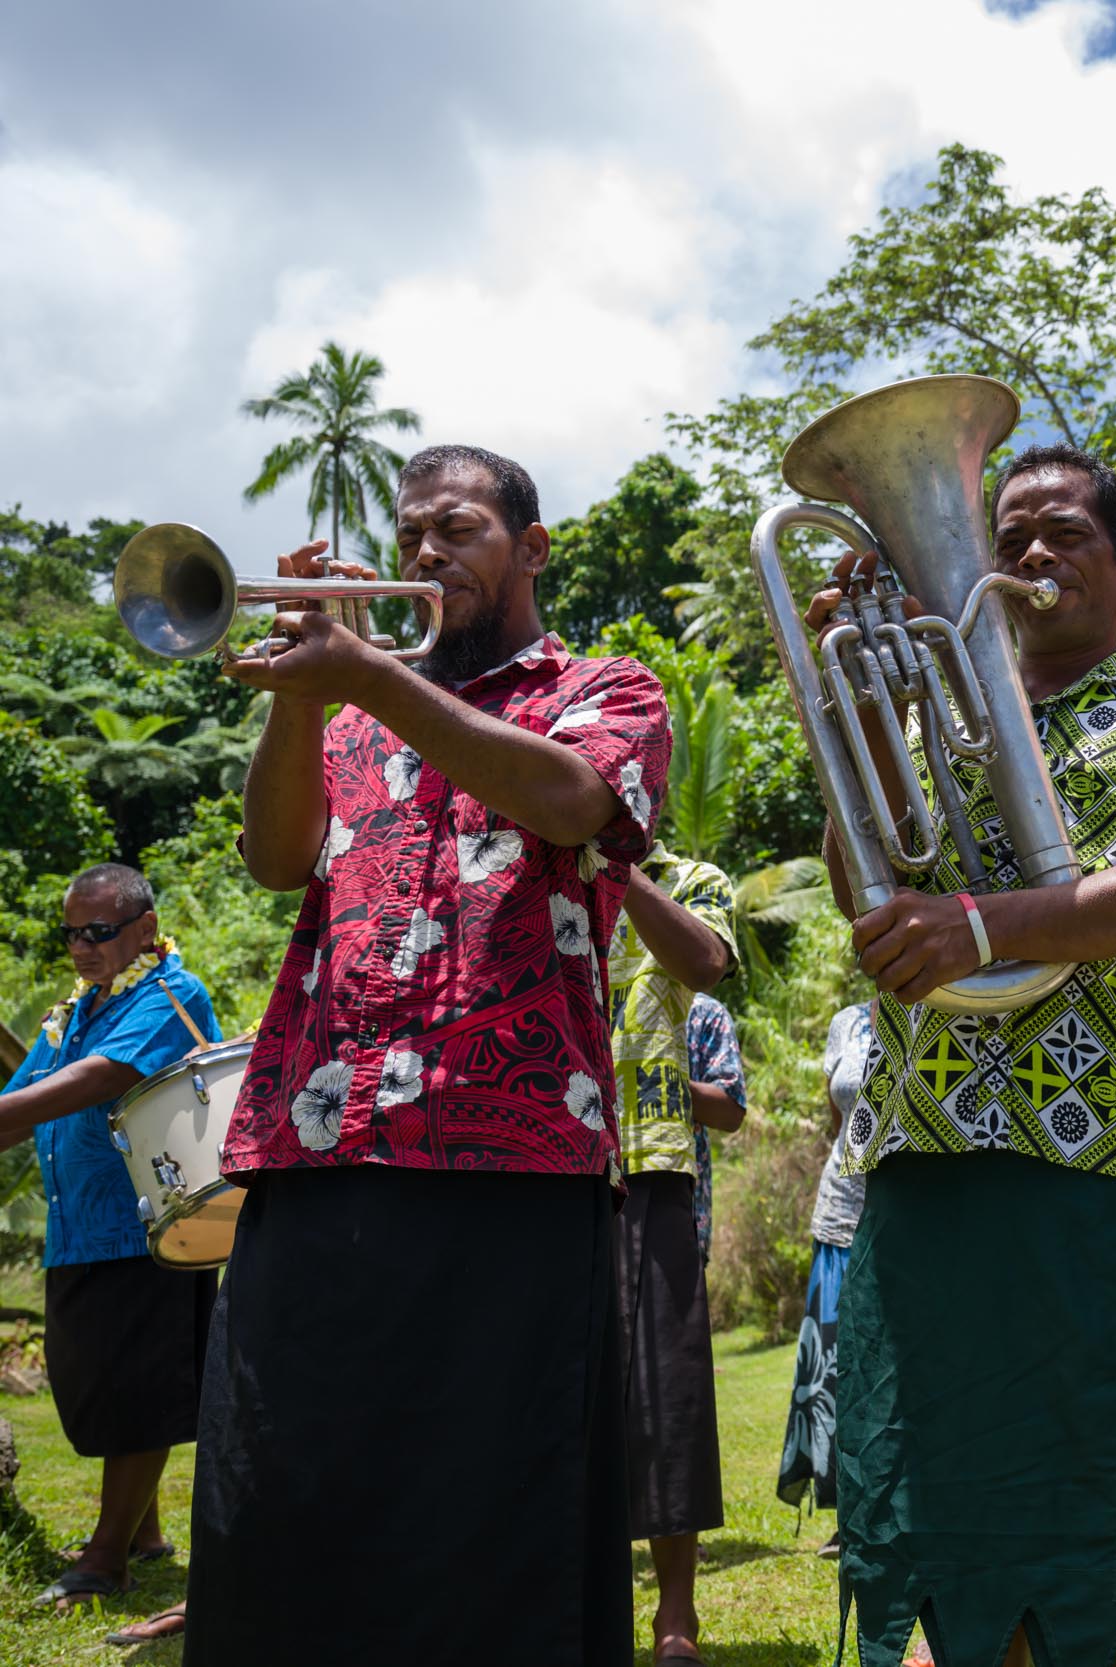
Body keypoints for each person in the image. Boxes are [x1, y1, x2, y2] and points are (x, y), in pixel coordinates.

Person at [186, 444, 671, 1666]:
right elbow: (276, 856)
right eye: (410, 533)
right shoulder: (348, 710)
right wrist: (308, 688)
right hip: (319, 1139)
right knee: (292, 1496)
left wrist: (369, 675)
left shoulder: (607, 688)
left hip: (513, 1158)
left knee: (495, 1511)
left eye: (456, 527)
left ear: (533, 546)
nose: (425, 552)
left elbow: (571, 804)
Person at [802, 442, 1116, 1667]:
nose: (1033, 557)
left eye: (1066, 534)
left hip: (1113, 1160)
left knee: (1110, 1519)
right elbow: (864, 886)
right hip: (927, 1147)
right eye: (1008, 539)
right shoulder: (931, 715)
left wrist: (981, 924)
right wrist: (852, 700)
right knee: (935, 1506)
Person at [0, 866, 220, 1620]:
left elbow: (99, 1078)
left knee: (133, 1392)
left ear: (145, 927)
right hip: (79, 1229)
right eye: (72, 933)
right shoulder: (80, 1009)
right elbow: (23, 1097)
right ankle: (145, 1533)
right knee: (102, 1384)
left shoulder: (168, 995)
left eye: (99, 931)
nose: (83, 947)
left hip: (142, 1226)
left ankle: (105, 1560)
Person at [608, 844, 739, 1665]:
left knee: (670, 1404)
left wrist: (611, 861)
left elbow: (705, 960)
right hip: (551, 1158)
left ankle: (675, 1618)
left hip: (655, 1168)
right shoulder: (527, 858)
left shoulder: (692, 883)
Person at [779, 997, 871, 1539]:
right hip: (839, 1209)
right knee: (833, 1365)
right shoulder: (846, 1022)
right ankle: (845, 1511)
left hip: (901, 1211)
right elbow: (838, 1117)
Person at [685, 989, 746, 1267]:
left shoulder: (704, 1013)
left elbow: (730, 1110)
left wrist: (659, 1078)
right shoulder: (601, 995)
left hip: (682, 1215)